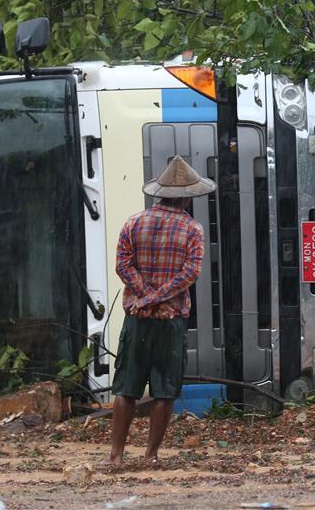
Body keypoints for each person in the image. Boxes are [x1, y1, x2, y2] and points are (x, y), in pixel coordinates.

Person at [105, 155, 215, 468]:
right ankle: (150, 456)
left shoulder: (133, 222)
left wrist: (144, 297)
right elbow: (189, 273)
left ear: (159, 193)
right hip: (171, 320)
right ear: (187, 198)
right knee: (164, 391)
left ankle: (115, 455)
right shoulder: (193, 229)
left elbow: (122, 266)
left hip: (137, 320)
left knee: (126, 388)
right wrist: (160, 299)